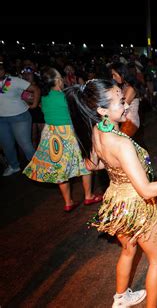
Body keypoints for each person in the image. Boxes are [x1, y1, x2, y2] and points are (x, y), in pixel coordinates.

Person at [65, 79, 157, 307]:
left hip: (116, 202)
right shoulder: (121, 143)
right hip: (138, 206)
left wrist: (115, 165)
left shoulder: (98, 129)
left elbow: (92, 165)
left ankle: (121, 299)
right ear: (101, 110)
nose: (127, 105)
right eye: (121, 102)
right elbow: (145, 189)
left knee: (128, 251)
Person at [23, 68, 102, 212]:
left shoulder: (44, 97)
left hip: (52, 135)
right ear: (58, 80)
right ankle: (88, 196)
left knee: (59, 168)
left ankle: (68, 202)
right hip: (69, 133)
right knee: (84, 163)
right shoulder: (65, 97)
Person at [0, 61, 40, 176]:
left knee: (25, 144)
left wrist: (34, 104)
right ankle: (14, 166)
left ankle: (36, 167)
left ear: (3, 70)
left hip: (19, 117)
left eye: (1, 69)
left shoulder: (14, 80)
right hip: (2, 119)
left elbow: (36, 89)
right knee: (7, 144)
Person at [110, 62, 140, 137]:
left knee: (120, 143)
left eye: (115, 75)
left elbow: (122, 107)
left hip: (131, 121)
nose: (113, 78)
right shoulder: (123, 86)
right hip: (124, 120)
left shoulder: (131, 88)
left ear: (122, 74)